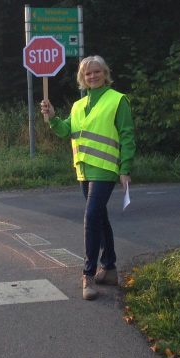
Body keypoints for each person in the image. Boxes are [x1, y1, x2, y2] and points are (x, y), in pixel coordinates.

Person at [41, 55, 135, 300]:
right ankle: (110, 268)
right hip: (83, 169)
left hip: (105, 169)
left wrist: (124, 169)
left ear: (105, 73)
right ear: (82, 78)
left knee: (91, 216)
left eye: (97, 72)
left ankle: (88, 274)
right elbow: (66, 130)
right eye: (87, 73)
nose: (92, 76)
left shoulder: (117, 100)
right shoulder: (78, 106)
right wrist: (52, 117)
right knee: (100, 218)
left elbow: (127, 136)